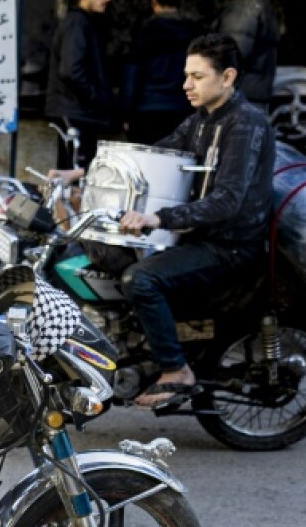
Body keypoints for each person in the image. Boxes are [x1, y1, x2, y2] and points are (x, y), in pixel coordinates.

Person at [115, 33, 276, 408]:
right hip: (201, 235)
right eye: (186, 75)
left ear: (228, 76)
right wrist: (85, 175)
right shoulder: (201, 120)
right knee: (107, 253)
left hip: (230, 245)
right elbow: (155, 155)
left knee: (140, 279)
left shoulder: (246, 124)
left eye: (197, 76)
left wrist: (158, 218)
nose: (186, 85)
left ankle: (176, 368)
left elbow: (227, 202)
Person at [122, 0, 202, 145]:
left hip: (146, 110)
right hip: (182, 110)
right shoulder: (193, 34)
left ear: (154, 1)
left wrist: (126, 113)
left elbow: (131, 77)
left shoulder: (144, 32)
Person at [44, 0, 114, 168]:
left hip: (78, 112)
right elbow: (71, 70)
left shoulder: (84, 23)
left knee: (74, 176)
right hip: (76, 113)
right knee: (74, 178)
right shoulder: (77, 23)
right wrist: (97, 97)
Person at [211, 0, 280, 106]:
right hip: (249, 94)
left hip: (240, 97)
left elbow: (232, 54)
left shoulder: (245, 6)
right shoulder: (250, 3)